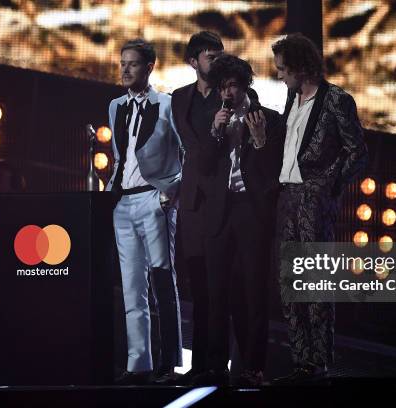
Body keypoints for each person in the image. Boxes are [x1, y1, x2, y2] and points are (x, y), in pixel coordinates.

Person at [270, 34, 368, 385]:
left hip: (314, 199)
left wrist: (329, 184)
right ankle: (302, 362)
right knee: (289, 283)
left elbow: (358, 152)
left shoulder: (337, 100)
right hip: (288, 198)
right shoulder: (292, 98)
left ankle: (320, 363)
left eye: (283, 69)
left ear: (299, 67)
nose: (280, 75)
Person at [191, 54, 285, 387]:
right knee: (217, 293)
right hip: (219, 211)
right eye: (222, 87)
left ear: (245, 85)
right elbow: (201, 167)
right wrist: (216, 134)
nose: (227, 93)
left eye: (232, 86)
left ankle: (254, 366)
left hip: (251, 211)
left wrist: (259, 142)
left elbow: (275, 173)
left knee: (254, 292)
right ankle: (216, 365)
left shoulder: (270, 119)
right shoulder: (212, 117)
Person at [105, 39, 183, 385]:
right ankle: (139, 364)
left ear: (149, 66)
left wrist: (170, 193)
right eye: (122, 63)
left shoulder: (167, 105)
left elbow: (187, 153)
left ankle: (169, 363)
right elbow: (121, 156)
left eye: (132, 64)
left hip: (155, 199)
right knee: (131, 287)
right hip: (124, 203)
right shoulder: (115, 106)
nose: (124, 69)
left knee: (163, 283)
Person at [170, 31, 224, 384]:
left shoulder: (233, 95)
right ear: (193, 61)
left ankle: (217, 365)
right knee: (197, 286)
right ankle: (199, 364)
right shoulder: (179, 99)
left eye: (220, 53)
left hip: (223, 202)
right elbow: (190, 144)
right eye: (209, 55)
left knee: (219, 288)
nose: (216, 60)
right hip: (191, 201)